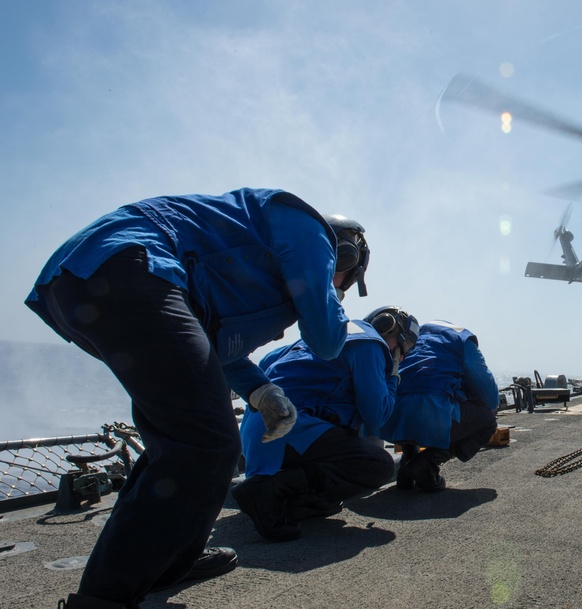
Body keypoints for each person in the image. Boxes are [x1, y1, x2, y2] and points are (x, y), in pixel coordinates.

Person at [26, 188, 369, 609]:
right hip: (133, 265)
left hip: (85, 283)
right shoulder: (309, 229)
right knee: (205, 444)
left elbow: (208, 342)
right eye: (344, 280)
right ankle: (104, 600)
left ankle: (168, 560)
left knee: (178, 442)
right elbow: (326, 339)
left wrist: (260, 389)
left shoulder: (250, 257)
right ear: (346, 258)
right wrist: (331, 295)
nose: (337, 287)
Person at [233, 306, 420, 541]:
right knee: (376, 464)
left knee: (334, 478)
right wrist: (393, 377)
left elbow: (265, 367)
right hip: (289, 431)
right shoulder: (371, 344)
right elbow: (377, 416)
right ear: (388, 329)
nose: (402, 356)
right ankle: (268, 491)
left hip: (256, 436)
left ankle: (291, 499)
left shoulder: (315, 338)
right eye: (405, 347)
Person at [377, 320, 499, 492]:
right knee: (487, 421)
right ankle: (427, 463)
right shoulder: (462, 340)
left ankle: (408, 462)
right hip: (430, 416)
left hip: (389, 421)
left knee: (414, 398)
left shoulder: (412, 339)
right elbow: (491, 398)